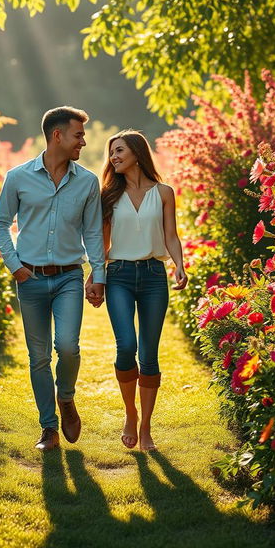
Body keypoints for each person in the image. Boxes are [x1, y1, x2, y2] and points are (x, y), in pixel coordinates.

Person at [0, 106, 105, 451]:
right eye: (78, 135)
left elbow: (93, 232)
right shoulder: (18, 177)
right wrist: (15, 265)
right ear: (57, 135)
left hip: (69, 276)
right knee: (38, 357)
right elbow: (0, 223)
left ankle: (66, 396)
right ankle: (49, 428)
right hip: (30, 280)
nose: (83, 142)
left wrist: (98, 274)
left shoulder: (87, 181)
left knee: (68, 346)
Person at [86, 129, 187, 451]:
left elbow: (171, 235)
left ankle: (145, 427)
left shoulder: (165, 192)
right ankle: (130, 413)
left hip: (154, 276)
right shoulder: (108, 196)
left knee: (149, 354)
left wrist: (179, 265)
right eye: (111, 153)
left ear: (136, 153)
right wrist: (95, 277)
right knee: (126, 346)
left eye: (118, 151)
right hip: (119, 275)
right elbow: (102, 244)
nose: (113, 158)